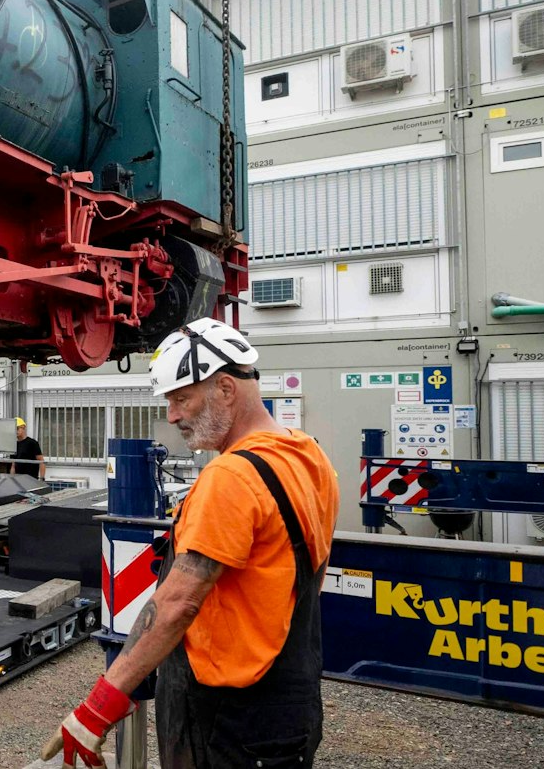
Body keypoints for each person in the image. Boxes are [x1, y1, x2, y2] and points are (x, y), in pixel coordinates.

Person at [47, 318, 338, 768]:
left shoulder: (230, 477)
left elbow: (178, 602)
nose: (173, 415)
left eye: (182, 398)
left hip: (228, 719)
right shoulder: (309, 456)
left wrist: (97, 708)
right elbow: (311, 577)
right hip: (290, 705)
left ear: (225, 389)